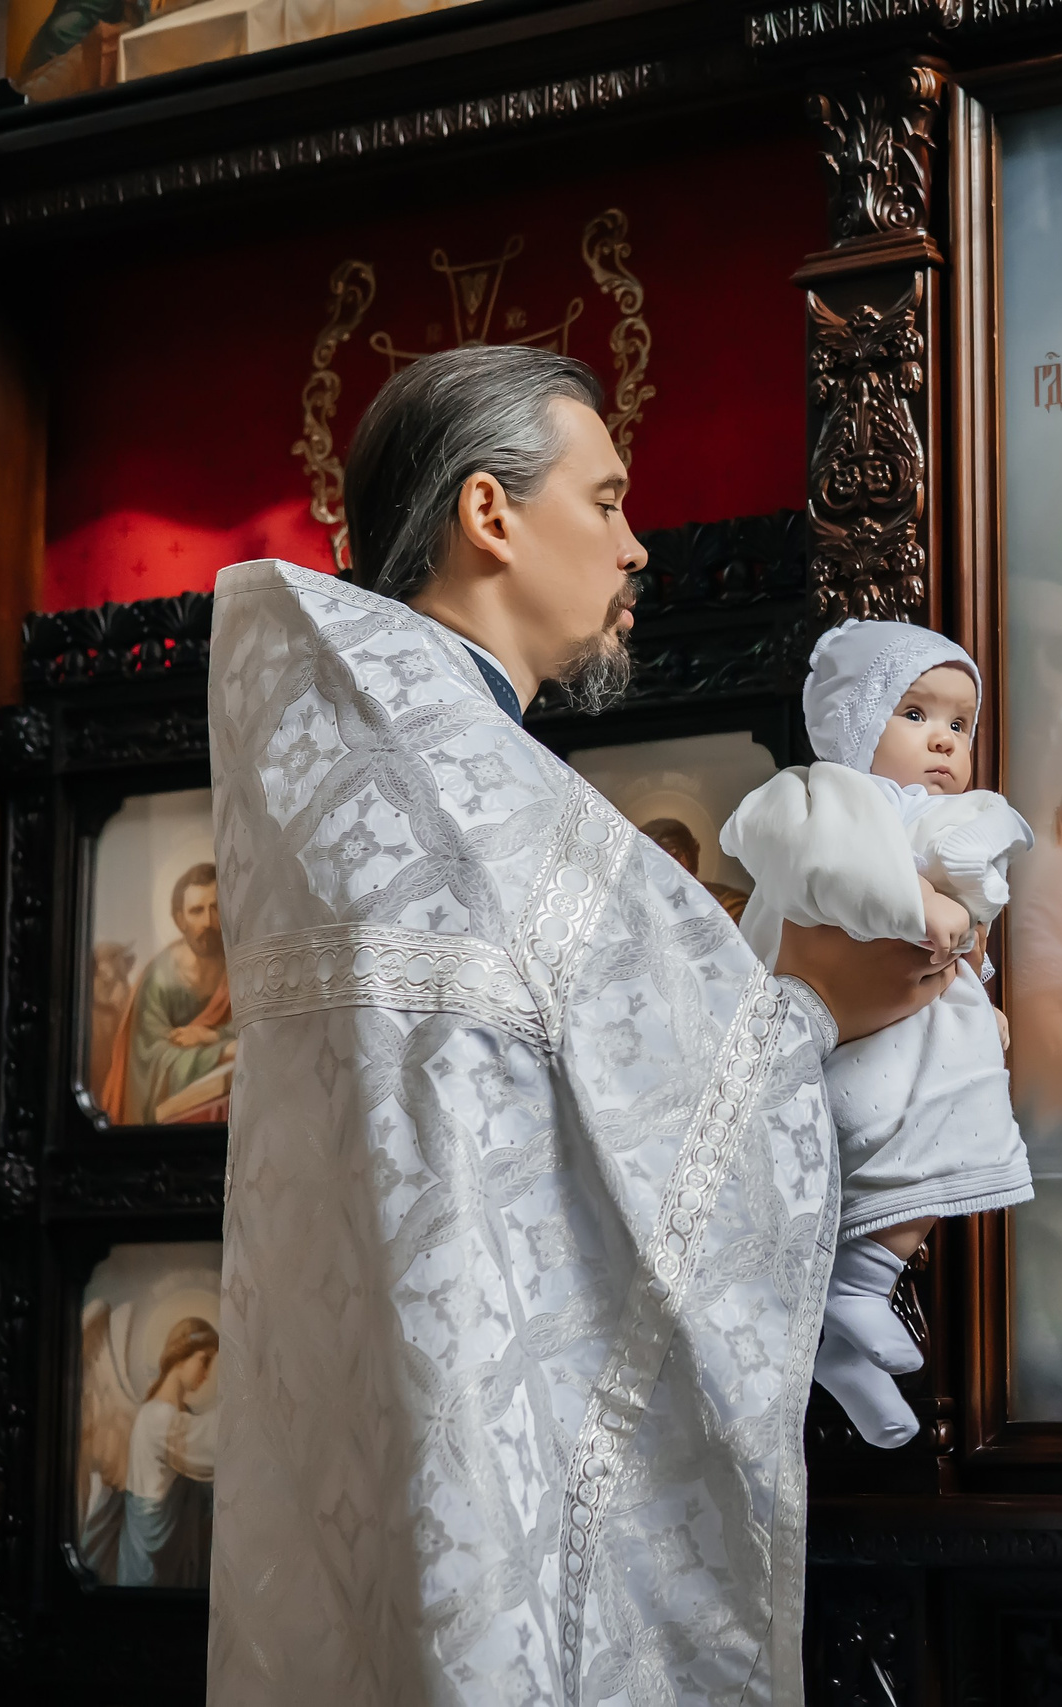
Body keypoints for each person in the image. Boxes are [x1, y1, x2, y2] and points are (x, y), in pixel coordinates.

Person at [203, 343, 953, 1705]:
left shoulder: (353, 753)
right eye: (605, 501)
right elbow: (700, 1083)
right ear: (489, 512)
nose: (636, 546)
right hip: (486, 1465)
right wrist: (816, 1007)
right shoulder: (460, 785)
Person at [720, 618, 1035, 1447]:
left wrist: (981, 982)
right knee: (849, 1149)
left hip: (928, 1035)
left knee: (939, 1149)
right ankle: (840, 1300)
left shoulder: (953, 816)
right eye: (915, 714)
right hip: (832, 1030)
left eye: (960, 725)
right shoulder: (822, 795)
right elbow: (819, 866)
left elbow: (979, 917)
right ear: (856, 723)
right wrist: (918, 908)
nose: (943, 740)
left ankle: (859, 1296)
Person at [98, 861, 235, 1124]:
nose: (208, 921)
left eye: (216, 908)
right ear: (179, 919)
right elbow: (151, 1061)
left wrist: (211, 1035)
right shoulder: (160, 979)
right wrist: (224, 1050)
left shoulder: (237, 966)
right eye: (196, 911)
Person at [116, 1317, 218, 1588]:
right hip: (152, 1556)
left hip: (172, 1553)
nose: (207, 1372)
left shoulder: (179, 1416)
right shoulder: (157, 1417)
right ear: (181, 1356)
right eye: (204, 1360)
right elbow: (211, 1446)